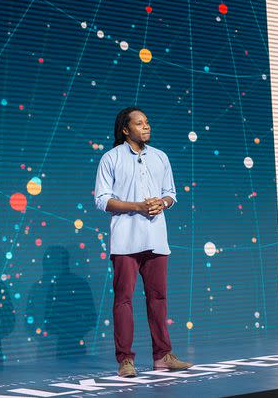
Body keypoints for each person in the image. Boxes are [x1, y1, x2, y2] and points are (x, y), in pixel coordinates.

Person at [94, 106, 192, 377]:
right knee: (123, 300)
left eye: (147, 122)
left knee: (158, 298)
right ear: (126, 130)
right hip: (126, 239)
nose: (146, 127)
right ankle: (125, 360)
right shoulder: (111, 158)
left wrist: (162, 202)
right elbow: (101, 200)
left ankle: (163, 356)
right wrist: (137, 206)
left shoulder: (160, 157)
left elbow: (171, 193)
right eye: (139, 123)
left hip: (157, 238)